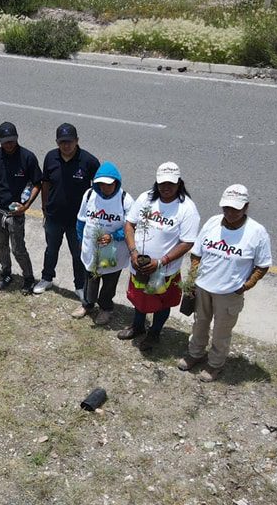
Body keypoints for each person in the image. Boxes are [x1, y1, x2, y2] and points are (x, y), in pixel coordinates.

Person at [177, 185, 271, 382]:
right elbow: (197, 253)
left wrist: (245, 286)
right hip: (203, 287)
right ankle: (195, 354)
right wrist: (193, 277)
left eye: (235, 209)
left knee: (221, 331)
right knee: (199, 323)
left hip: (229, 293)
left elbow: (262, 266)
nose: (229, 213)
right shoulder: (212, 222)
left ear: (246, 207)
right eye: (226, 208)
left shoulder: (257, 232)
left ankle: (215, 364)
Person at [119, 162, 201, 351]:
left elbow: (187, 242)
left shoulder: (186, 208)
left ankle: (154, 332)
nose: (166, 187)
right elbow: (129, 224)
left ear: (179, 183)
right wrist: (133, 252)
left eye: (171, 184)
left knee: (161, 301)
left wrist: (162, 261)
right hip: (140, 264)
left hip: (165, 270)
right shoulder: (146, 199)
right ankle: (137, 326)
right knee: (139, 297)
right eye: (162, 183)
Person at [34, 123, 100, 296]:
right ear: (57, 142)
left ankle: (79, 286)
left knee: (78, 255)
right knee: (51, 250)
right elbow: (46, 183)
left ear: (77, 141)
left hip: (77, 220)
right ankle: (47, 278)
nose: (66, 145)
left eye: (69, 141)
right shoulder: (50, 157)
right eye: (62, 142)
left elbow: (99, 189)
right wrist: (44, 206)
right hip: (54, 216)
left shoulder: (89, 161)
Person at [74, 162, 133, 324]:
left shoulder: (125, 200)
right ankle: (87, 304)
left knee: (109, 282)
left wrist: (113, 236)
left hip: (114, 253)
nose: (105, 188)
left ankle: (106, 308)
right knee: (90, 278)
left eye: (109, 184)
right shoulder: (89, 195)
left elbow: (131, 228)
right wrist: (80, 241)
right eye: (101, 184)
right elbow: (81, 220)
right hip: (92, 249)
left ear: (116, 182)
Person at [0, 121, 41, 293]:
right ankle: (6, 273)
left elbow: (37, 184)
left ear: (17, 138)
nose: (9, 144)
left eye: (12, 140)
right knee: (0, 244)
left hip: (16, 212)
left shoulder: (28, 157)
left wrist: (25, 207)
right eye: (5, 141)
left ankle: (29, 277)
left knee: (18, 249)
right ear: (0, 141)